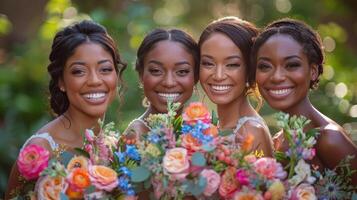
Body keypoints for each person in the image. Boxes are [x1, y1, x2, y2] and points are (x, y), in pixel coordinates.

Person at [5, 20, 126, 198]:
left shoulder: (115, 148)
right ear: (61, 81)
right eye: (79, 71)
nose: (94, 80)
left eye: (105, 69)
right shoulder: (40, 150)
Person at [252, 18, 357, 184]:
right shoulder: (277, 141)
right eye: (265, 66)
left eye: (292, 65)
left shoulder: (329, 138)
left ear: (313, 71)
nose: (277, 77)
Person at [198, 16, 274, 157]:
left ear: (250, 69)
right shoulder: (210, 128)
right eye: (208, 63)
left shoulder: (251, 133)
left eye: (232, 64)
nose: (218, 75)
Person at [123, 28, 199, 140]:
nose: (169, 83)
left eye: (182, 71)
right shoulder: (136, 135)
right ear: (141, 74)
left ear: (196, 77)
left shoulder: (200, 132)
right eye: (156, 71)